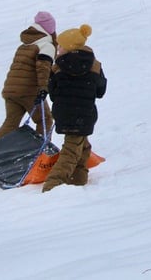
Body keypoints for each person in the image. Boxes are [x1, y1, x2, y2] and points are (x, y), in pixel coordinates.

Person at [42, 24, 107, 192]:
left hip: (64, 113)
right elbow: (100, 91)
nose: (58, 50)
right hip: (85, 114)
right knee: (77, 146)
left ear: (70, 48)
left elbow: (53, 92)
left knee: (76, 149)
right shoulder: (95, 65)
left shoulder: (57, 67)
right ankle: (71, 182)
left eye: (60, 46)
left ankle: (54, 185)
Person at [0, 11, 57, 141]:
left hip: (10, 90)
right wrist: (43, 88)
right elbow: (43, 68)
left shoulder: (24, 45)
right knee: (45, 119)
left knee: (11, 122)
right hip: (28, 91)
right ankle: (40, 153)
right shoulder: (46, 45)